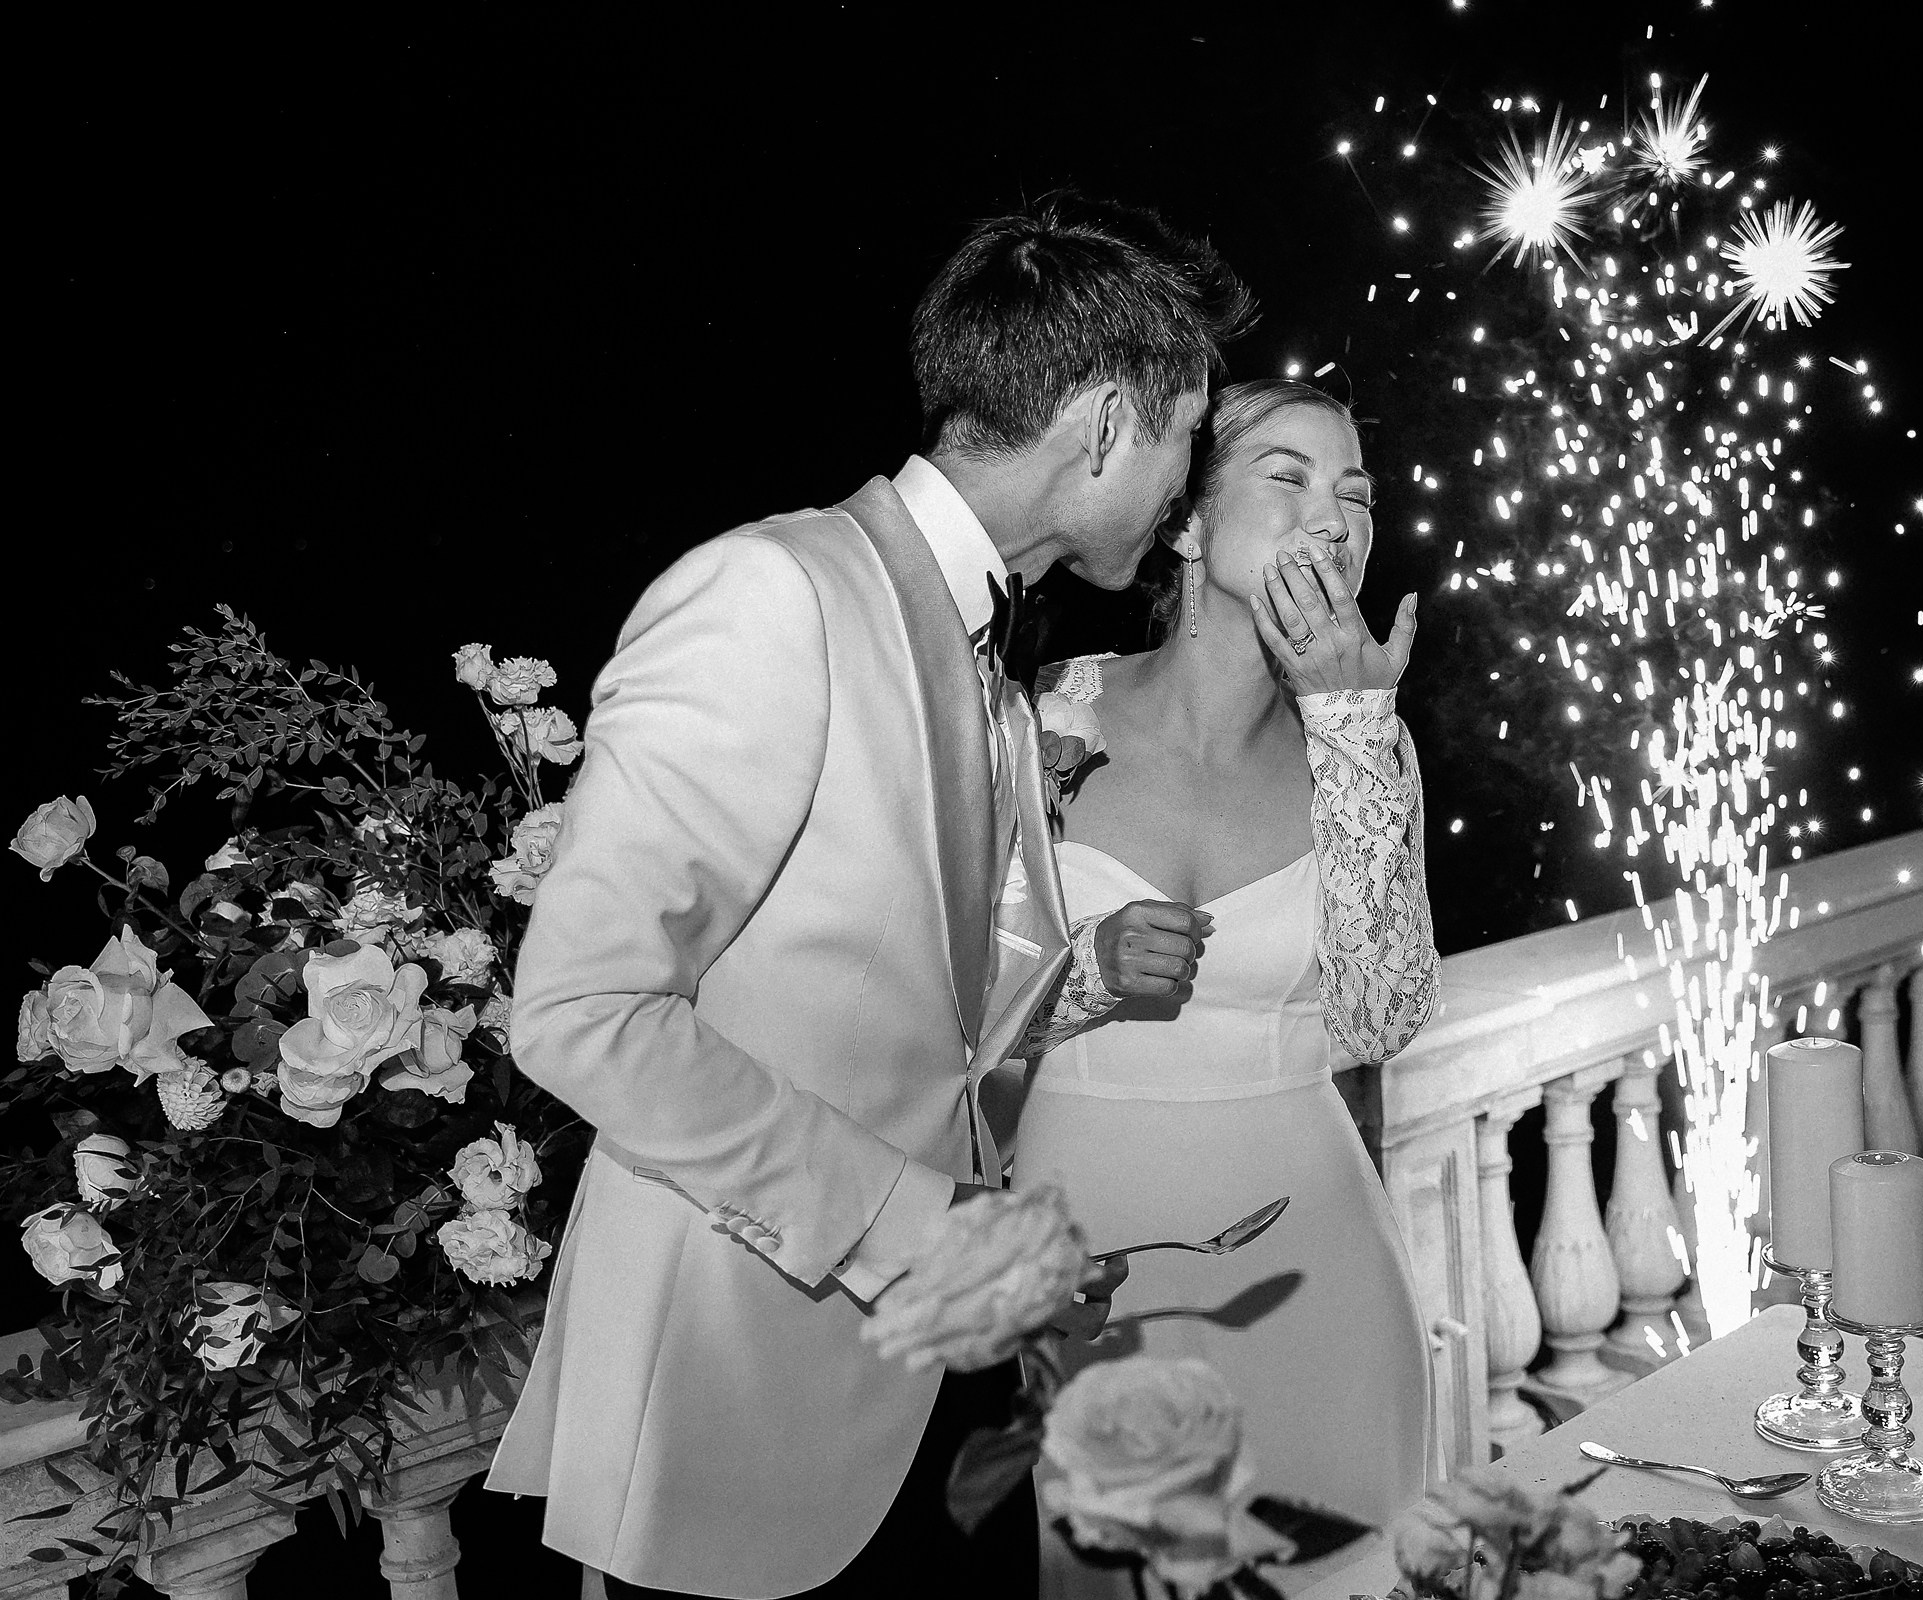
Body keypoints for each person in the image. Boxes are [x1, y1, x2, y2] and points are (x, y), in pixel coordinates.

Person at [485, 194, 1255, 1600]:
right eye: (1188, 435)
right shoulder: (769, 597)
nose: (1187, 488)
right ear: (1100, 427)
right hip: (752, 1404)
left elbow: (927, 1017)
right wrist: (919, 1227)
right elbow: (583, 1013)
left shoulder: (993, 669)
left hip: (950, 1405)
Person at [1015, 379, 1440, 1598]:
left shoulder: (1365, 743)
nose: (1336, 514)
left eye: (1356, 493)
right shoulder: (1039, 723)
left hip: (1314, 1258)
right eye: (1289, 476)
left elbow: (1380, 1016)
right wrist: (1078, 979)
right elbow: (929, 1012)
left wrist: (1355, 717)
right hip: (1084, 1262)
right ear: (1188, 524)